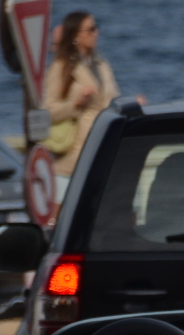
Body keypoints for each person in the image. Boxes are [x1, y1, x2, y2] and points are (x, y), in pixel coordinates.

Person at [44, 11, 121, 199]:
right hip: (73, 156)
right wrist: (75, 104)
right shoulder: (62, 66)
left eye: (96, 28)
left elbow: (113, 99)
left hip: (102, 147)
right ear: (76, 35)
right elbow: (48, 111)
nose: (96, 33)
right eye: (91, 29)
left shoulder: (102, 65)